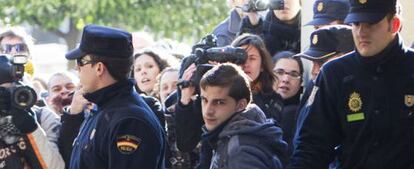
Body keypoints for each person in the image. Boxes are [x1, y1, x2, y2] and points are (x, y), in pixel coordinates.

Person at [288, 0, 414, 168]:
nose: (362, 32)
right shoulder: (335, 74)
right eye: (355, 23)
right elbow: (312, 147)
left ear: (395, 24)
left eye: (371, 24)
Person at [63, 24, 165, 169]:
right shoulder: (104, 108)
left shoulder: (129, 121)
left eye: (81, 61)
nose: (76, 67)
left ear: (99, 68)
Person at [199, 63, 286, 169]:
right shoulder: (232, 136)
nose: (208, 111)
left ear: (241, 105)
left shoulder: (240, 152)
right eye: (204, 100)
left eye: (219, 102)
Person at [0, 56, 64, 169]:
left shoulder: (43, 117)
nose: (6, 99)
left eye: (11, 92)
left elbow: (56, 167)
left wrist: (32, 129)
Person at [294, 25, 354, 109]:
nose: (314, 71)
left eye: (322, 63)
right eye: (313, 63)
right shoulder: (313, 87)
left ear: (346, 57)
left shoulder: (364, 89)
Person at [272, 51, 303, 159]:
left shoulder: (297, 114)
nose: (285, 79)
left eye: (294, 75)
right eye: (280, 72)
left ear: (301, 83)